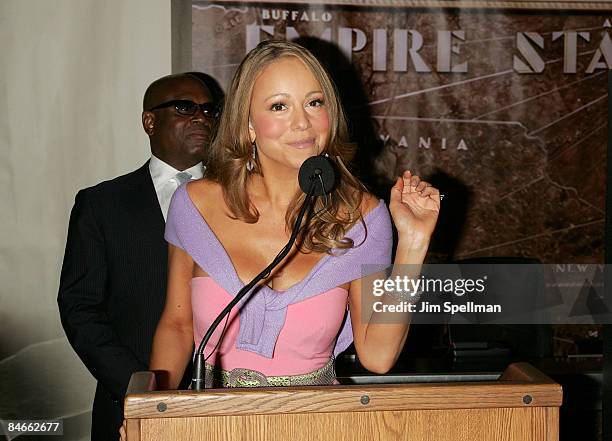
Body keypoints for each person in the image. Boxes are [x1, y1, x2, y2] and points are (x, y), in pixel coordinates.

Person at [149, 41, 440, 390]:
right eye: (279, 106)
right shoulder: (194, 204)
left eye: (314, 103)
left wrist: (413, 242)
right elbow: (177, 326)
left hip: (314, 421)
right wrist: (151, 413)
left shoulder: (364, 216)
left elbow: (378, 356)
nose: (302, 122)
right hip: (213, 421)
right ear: (248, 125)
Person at [57, 73, 218, 440]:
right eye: (184, 107)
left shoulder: (243, 200)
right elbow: (80, 307)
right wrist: (142, 388)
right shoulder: (101, 205)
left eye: (208, 110)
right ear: (149, 120)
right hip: (131, 404)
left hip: (229, 401)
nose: (201, 117)